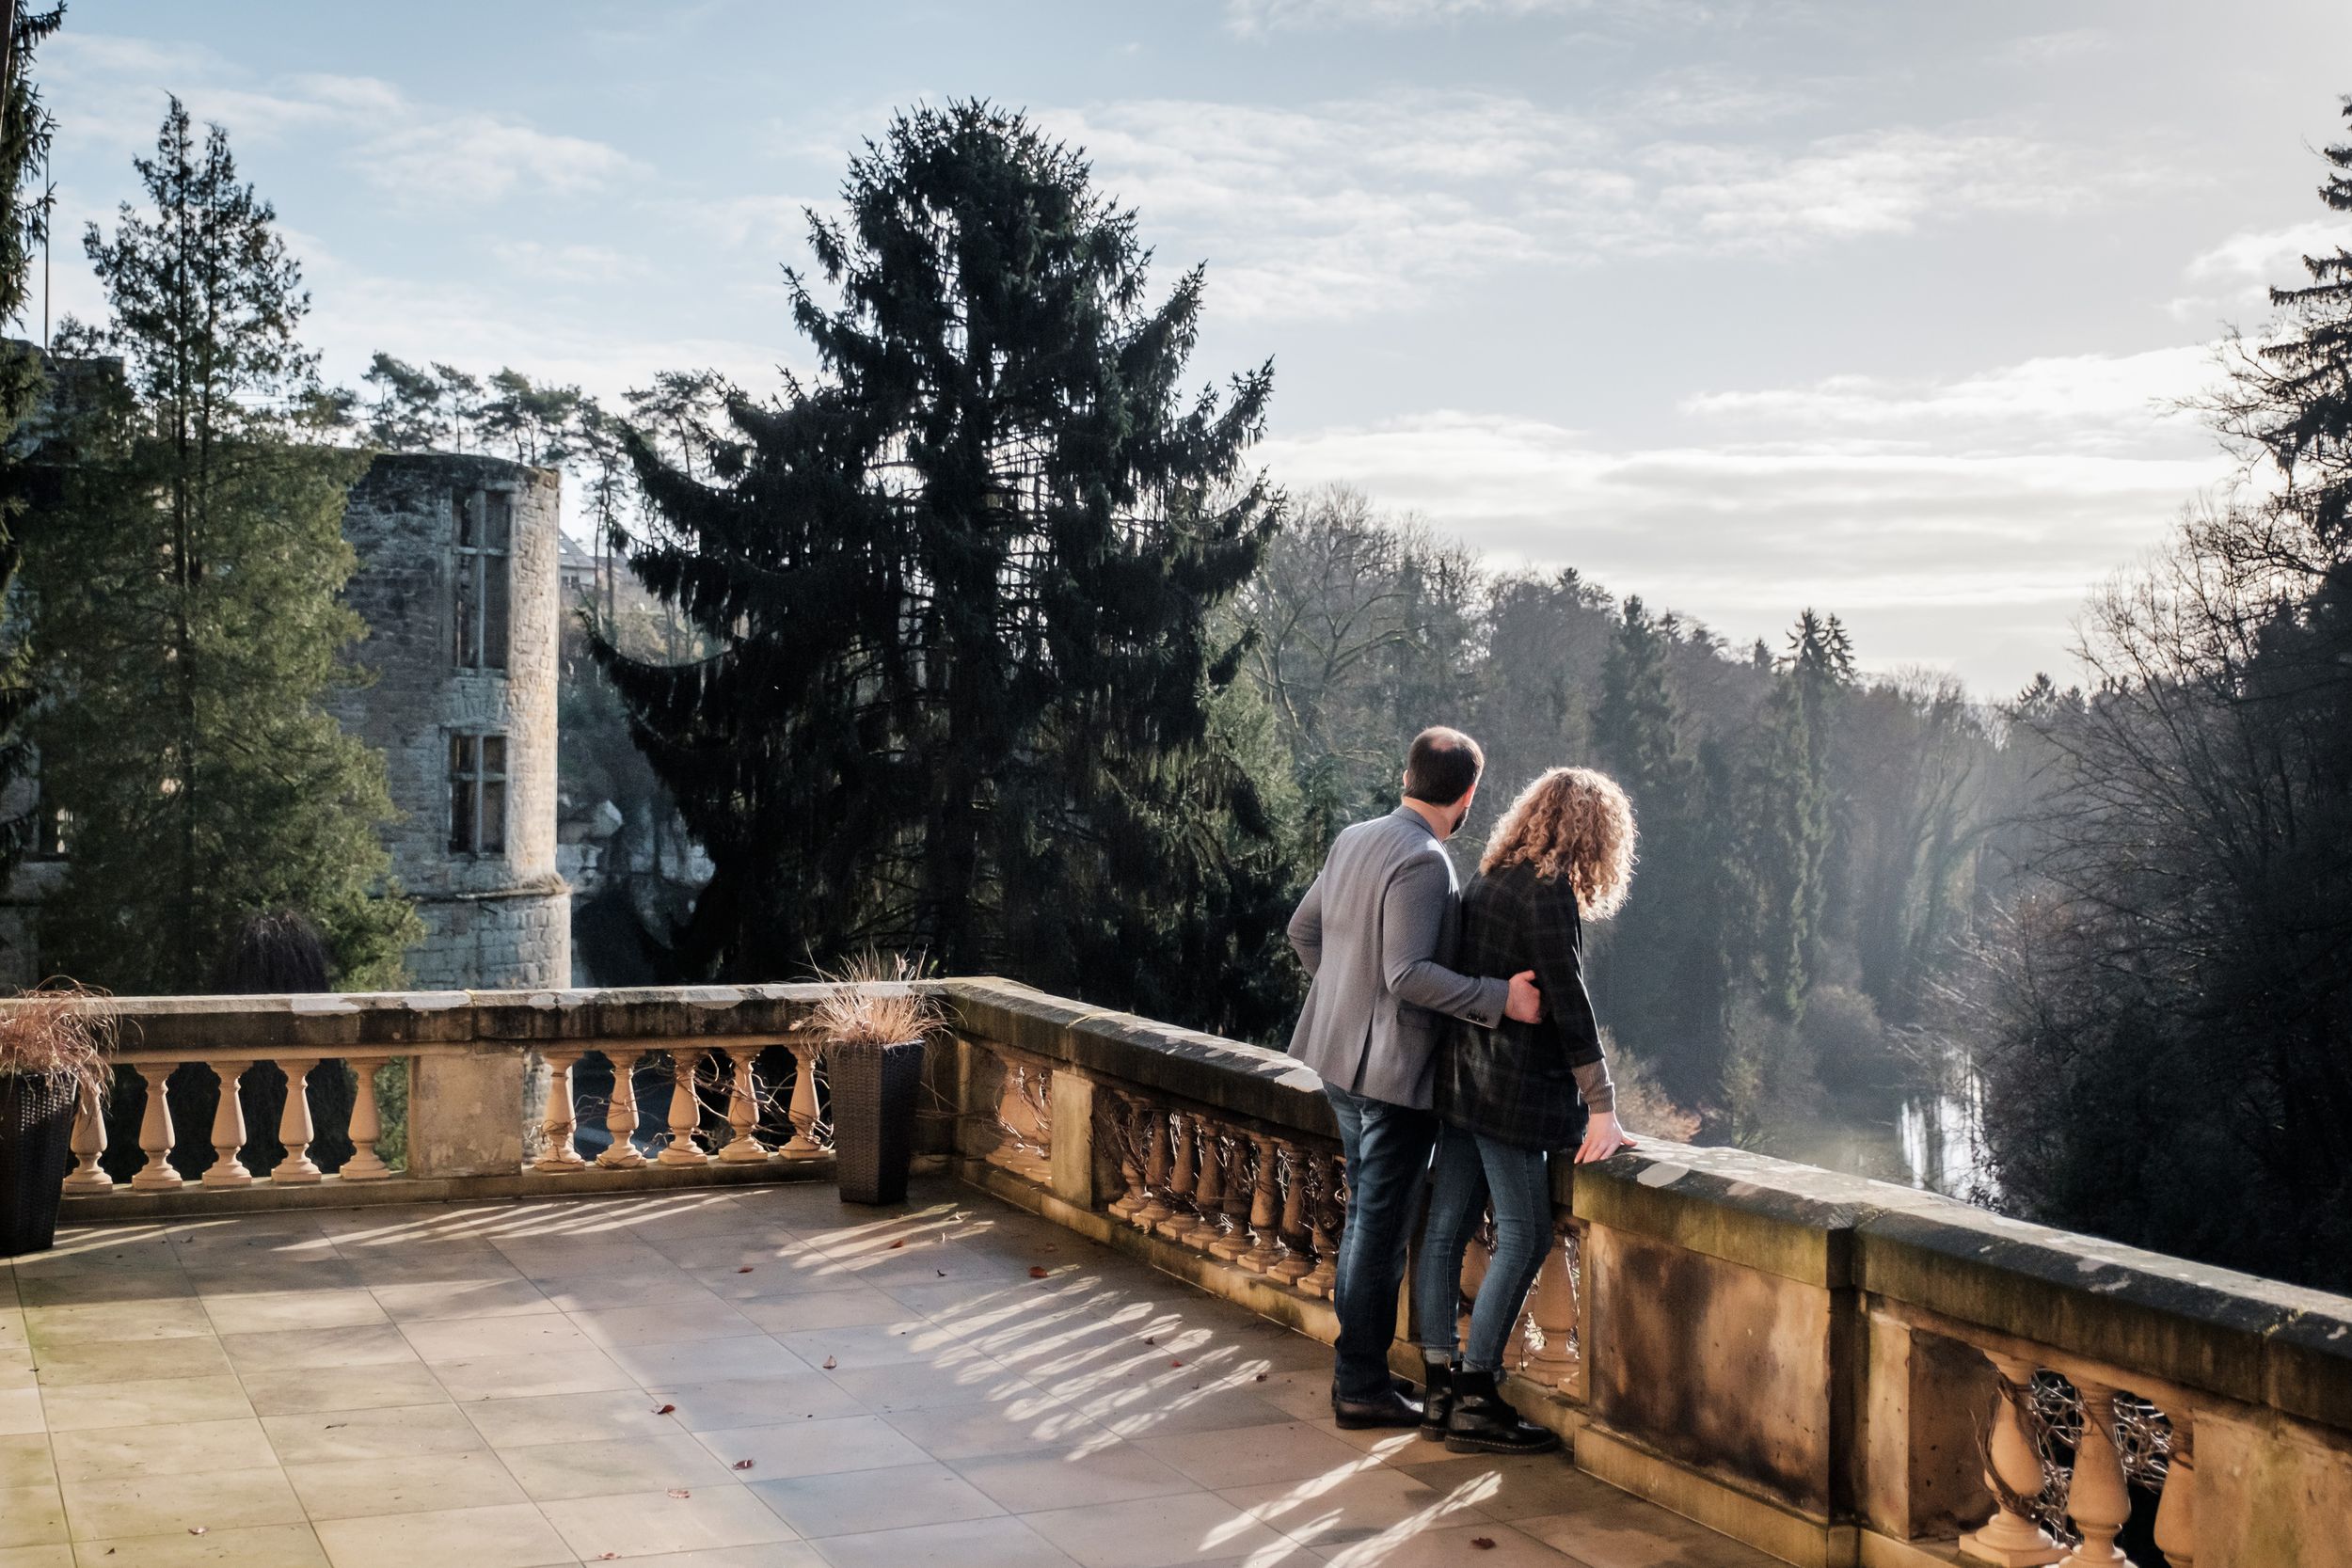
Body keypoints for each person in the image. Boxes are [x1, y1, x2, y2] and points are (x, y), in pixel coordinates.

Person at [1287, 726, 1546, 1429]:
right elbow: (1407, 974)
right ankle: (1361, 1383)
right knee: (1380, 1224)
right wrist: (1502, 998)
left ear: (1408, 776)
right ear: (1466, 796)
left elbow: (1303, 931)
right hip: (1391, 1078)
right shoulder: (1428, 861)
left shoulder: (1355, 837)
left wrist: (1345, 999)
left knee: (1368, 1218)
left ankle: (1358, 1374)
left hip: (1337, 1061)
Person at [1413, 767, 1639, 1453]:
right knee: (1527, 1232)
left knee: (1447, 1231)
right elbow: (1568, 1001)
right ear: (1595, 834)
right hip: (1508, 1096)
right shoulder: (1547, 893)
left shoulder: (1490, 878)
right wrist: (1602, 1105)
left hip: (1461, 1086)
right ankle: (1478, 1396)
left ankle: (1441, 1390)